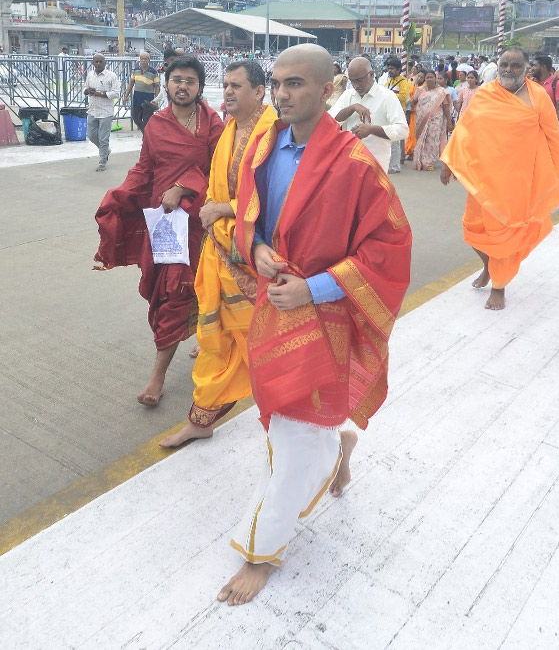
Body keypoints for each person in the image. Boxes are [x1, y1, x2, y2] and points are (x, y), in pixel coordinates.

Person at [216, 45, 412, 606]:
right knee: (281, 414)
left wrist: (315, 287)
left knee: (293, 436)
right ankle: (340, 450)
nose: (280, 94)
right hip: (271, 308)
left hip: (322, 315)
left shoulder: (355, 164)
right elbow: (248, 218)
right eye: (276, 83)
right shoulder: (262, 146)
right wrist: (254, 250)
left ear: (327, 92)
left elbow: (391, 244)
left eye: (295, 84)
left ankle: (262, 550)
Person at [159, 62, 277, 447]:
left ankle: (302, 424)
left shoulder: (274, 131)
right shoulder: (231, 128)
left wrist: (224, 210)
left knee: (262, 349)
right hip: (219, 250)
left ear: (259, 92)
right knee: (216, 343)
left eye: (236, 86)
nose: (227, 92)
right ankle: (201, 419)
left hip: (250, 258)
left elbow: (278, 197)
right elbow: (214, 182)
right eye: (225, 85)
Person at [94, 57, 224, 405]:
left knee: (183, 288)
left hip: (198, 221)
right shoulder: (157, 124)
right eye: (177, 80)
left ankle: (158, 374)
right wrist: (120, 194)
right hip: (164, 222)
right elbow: (145, 168)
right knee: (166, 290)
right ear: (166, 84)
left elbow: (223, 171)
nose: (183, 86)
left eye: (191, 81)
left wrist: (183, 186)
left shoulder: (213, 124)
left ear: (199, 87)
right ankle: (200, 333)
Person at [440, 47, 559, 310]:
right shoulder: (486, 93)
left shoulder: (538, 96)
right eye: (504, 64)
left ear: (526, 69)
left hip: (517, 182)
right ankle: (488, 266)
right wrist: (449, 162)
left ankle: (499, 286)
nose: (509, 70)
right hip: (483, 178)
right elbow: (465, 130)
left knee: (503, 236)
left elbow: (554, 136)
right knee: (472, 230)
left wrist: (557, 175)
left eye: (515, 66)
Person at [328, 56, 408, 173]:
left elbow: (402, 130)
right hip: (348, 162)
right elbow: (330, 121)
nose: (356, 86)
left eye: (359, 80)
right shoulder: (348, 95)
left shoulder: (387, 97)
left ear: (371, 74)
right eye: (352, 81)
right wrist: (353, 108)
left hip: (375, 165)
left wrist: (371, 130)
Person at [83, 53, 120, 172]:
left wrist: (100, 94)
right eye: (96, 62)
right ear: (93, 63)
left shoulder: (111, 76)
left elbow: (116, 93)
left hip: (106, 111)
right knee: (91, 135)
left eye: (101, 62)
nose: (98, 64)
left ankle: (102, 161)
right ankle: (106, 150)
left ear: (105, 63)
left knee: (104, 138)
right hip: (93, 110)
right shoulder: (90, 75)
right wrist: (88, 91)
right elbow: (85, 90)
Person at [412, 70, 453, 171]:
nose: (429, 79)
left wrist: (449, 121)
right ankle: (420, 161)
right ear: (425, 79)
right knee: (421, 139)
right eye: (427, 77)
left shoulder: (441, 92)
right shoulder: (420, 89)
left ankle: (429, 162)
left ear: (435, 78)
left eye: (431, 77)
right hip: (421, 119)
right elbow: (414, 101)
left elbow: (446, 107)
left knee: (432, 139)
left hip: (435, 119)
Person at [384, 56, 410, 173]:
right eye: (388, 68)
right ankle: (390, 163)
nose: (390, 71)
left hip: (398, 112)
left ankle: (395, 166)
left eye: (392, 68)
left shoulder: (403, 81)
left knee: (395, 140)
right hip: (388, 112)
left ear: (399, 69)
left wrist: (390, 95)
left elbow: (404, 97)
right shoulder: (389, 81)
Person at [123, 51, 160, 131]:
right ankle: (146, 133)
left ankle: (146, 136)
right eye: (142, 59)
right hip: (137, 97)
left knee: (147, 120)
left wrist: (156, 100)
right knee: (135, 117)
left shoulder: (153, 72)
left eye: (145, 59)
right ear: (139, 59)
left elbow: (157, 86)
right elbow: (131, 83)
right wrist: (126, 96)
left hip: (148, 99)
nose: (143, 61)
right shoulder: (136, 70)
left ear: (149, 60)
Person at [533, 55, 559, 133]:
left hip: (549, 128)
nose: (532, 68)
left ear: (543, 67)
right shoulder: (532, 82)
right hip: (533, 127)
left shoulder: (558, 84)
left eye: (535, 65)